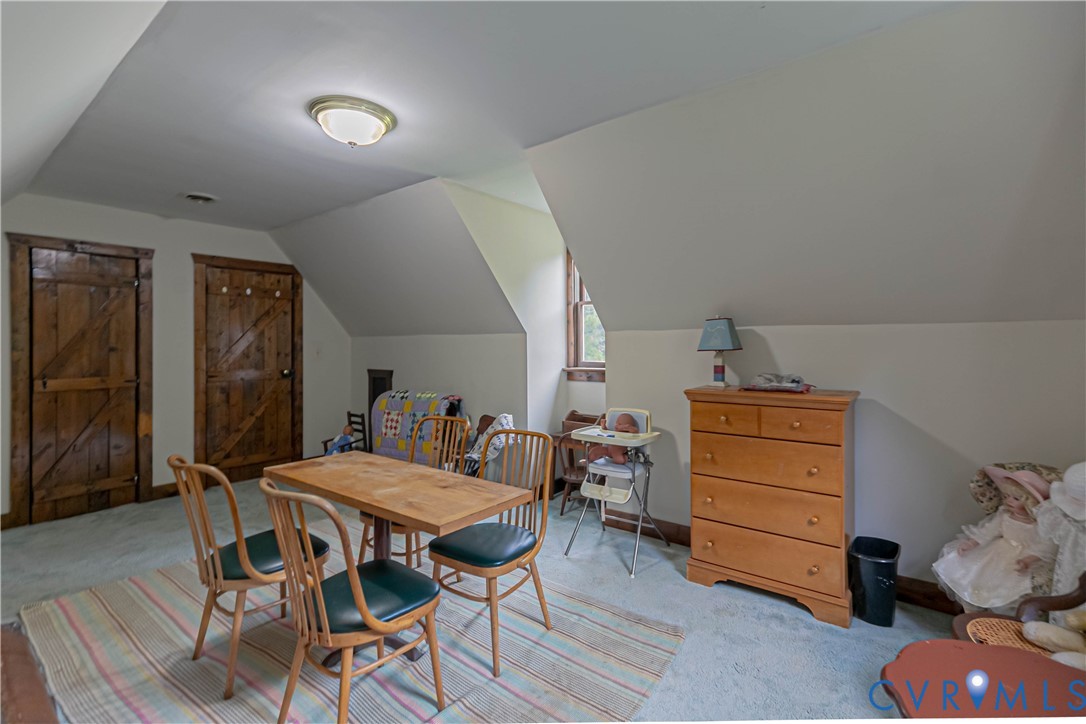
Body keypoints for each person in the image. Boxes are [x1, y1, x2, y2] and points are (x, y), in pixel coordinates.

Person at [932, 467, 1057, 613]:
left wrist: (1029, 559)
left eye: (1016, 498)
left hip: (1021, 557)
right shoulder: (1004, 514)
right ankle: (971, 612)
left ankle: (998, 618)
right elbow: (989, 530)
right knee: (973, 575)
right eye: (1006, 496)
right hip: (999, 550)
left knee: (1006, 589)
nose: (1008, 501)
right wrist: (972, 542)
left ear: (1031, 502)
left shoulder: (1039, 524)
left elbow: (1046, 545)